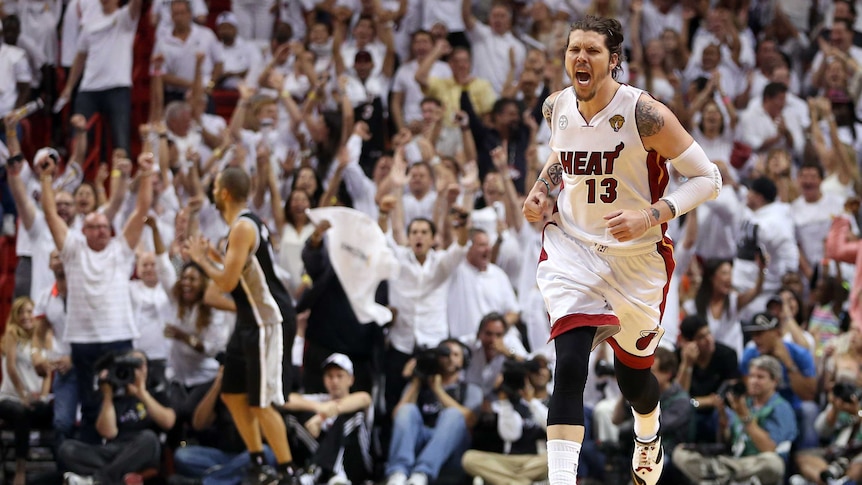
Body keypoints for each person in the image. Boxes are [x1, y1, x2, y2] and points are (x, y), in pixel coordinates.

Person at [521, 15, 722, 485]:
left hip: (638, 260)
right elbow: (561, 155)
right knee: (569, 364)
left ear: (614, 61)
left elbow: (709, 179)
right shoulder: (556, 107)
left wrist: (651, 214)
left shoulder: (645, 114)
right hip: (574, 248)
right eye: (574, 49)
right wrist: (541, 191)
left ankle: (647, 435)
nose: (580, 58)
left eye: (592, 51)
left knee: (633, 380)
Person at [185, 166, 299, 484]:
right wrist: (211, 253)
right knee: (232, 394)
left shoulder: (242, 227)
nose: (211, 190)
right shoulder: (244, 225)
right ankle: (257, 460)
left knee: (260, 403)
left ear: (223, 193)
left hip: (267, 320)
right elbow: (241, 274)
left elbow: (227, 281)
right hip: (248, 320)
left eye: (215, 185)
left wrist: (201, 260)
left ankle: (288, 472)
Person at [672, 355, 797, 485]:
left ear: (775, 381)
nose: (754, 381)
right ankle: (725, 477)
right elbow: (728, 444)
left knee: (773, 462)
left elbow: (770, 449)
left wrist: (745, 418)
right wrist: (723, 422)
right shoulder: (744, 403)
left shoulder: (781, 407)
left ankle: (718, 476)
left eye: (760, 377)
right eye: (752, 376)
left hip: (759, 465)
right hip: (734, 462)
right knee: (679, 453)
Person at [60, 350, 176, 485]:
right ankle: (115, 476)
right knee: (66, 449)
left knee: (149, 438)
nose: (134, 371)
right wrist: (108, 396)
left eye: (139, 366)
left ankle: (98, 480)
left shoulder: (156, 393)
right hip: (114, 451)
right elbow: (108, 433)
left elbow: (169, 422)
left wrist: (142, 394)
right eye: (130, 366)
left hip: (142, 450)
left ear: (147, 369)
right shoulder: (115, 396)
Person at [0, 297, 52, 485]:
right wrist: (22, 395)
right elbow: (11, 367)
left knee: (53, 412)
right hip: (10, 397)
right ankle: (20, 470)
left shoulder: (43, 337)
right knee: (21, 413)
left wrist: (44, 396)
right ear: (15, 315)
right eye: (21, 312)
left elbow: (47, 373)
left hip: (34, 398)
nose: (26, 316)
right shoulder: (12, 335)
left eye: (29, 312)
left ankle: (59, 469)